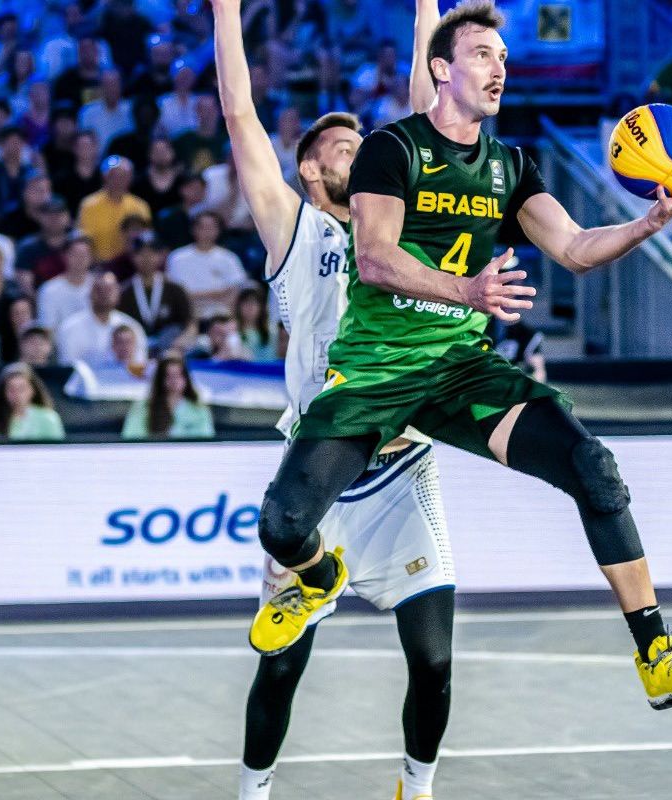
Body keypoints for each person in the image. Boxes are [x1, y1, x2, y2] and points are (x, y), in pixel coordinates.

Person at [245, 0, 672, 736]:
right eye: (481, 55)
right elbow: (373, 259)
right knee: (282, 525)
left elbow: (573, 248)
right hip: (376, 372)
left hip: (459, 371)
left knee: (592, 466)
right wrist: (467, 290)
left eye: (503, 58)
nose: (499, 67)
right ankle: (316, 577)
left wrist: (650, 223)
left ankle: (657, 653)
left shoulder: (511, 167)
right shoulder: (390, 148)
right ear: (441, 70)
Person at [215, 0, 465, 796]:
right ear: (313, 172)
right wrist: (227, 12)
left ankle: (416, 787)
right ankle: (252, 793)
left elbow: (430, 108)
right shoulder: (299, 234)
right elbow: (238, 112)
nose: (361, 150)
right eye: (342, 147)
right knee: (281, 667)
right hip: (316, 475)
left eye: (365, 142)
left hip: (399, 468)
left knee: (433, 660)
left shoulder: (402, 220)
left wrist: (428, 10)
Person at [117, 233, 194, 353]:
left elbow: (190, 324)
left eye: (152, 253)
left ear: (161, 256)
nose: (146, 258)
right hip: (135, 351)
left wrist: (179, 344)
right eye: (140, 253)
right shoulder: (124, 292)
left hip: (170, 352)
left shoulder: (175, 289)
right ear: (132, 257)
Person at [55, 272, 147, 367]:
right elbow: (67, 367)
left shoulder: (132, 327)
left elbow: (140, 366)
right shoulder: (70, 327)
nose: (104, 294)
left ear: (118, 294)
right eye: (99, 289)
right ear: (89, 293)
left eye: (109, 290)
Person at [120, 353, 214, 439]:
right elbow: (131, 437)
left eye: (178, 375)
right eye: (169, 376)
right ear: (160, 379)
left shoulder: (199, 410)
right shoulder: (143, 407)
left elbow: (205, 440)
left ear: (186, 379)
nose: (174, 381)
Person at [78, 156, 152, 261]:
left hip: (131, 266)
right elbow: (84, 241)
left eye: (124, 176)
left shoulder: (140, 206)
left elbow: (145, 241)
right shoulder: (89, 205)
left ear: (131, 178)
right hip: (99, 266)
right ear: (105, 177)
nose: (119, 180)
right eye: (114, 176)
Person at [0, 362, 66, 441]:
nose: (17, 394)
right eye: (12, 389)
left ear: (32, 390)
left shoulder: (48, 418)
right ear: (3, 392)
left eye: (22, 389)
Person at [38, 236, 97, 331]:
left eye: (84, 255)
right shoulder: (49, 290)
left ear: (91, 258)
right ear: (64, 257)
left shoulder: (99, 287)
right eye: (75, 254)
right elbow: (47, 328)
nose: (80, 259)